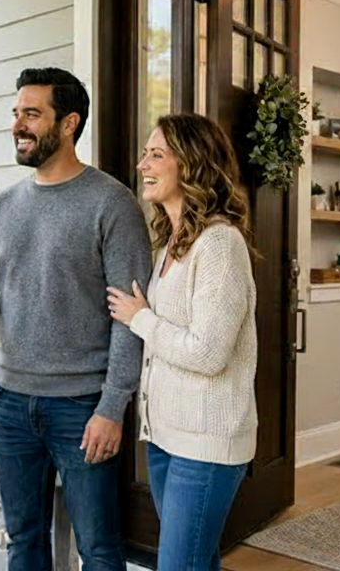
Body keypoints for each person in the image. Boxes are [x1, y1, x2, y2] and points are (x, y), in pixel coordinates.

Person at [0, 67, 151, 571]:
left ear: (68, 124)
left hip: (82, 406)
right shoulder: (3, 205)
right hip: (13, 401)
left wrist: (111, 407)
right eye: (16, 113)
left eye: (32, 114)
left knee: (100, 548)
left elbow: (131, 317)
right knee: (23, 541)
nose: (18, 124)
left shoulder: (112, 203)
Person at [106, 113, 259, 571]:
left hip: (206, 445)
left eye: (157, 154)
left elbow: (209, 353)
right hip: (166, 438)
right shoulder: (170, 244)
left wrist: (142, 320)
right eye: (145, 153)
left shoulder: (219, 244)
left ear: (191, 164)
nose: (142, 164)